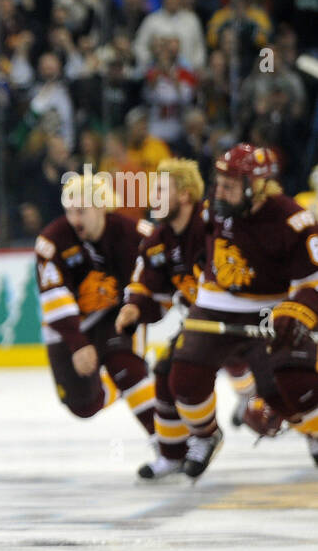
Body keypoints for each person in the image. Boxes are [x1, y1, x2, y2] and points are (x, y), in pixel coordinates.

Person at [168, 144, 318, 477]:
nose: (218, 192)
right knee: (184, 377)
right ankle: (206, 437)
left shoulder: (293, 220)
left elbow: (313, 282)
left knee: (291, 384)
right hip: (215, 304)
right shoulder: (211, 211)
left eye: (229, 185)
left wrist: (296, 314)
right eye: (218, 182)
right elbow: (184, 252)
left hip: (269, 310)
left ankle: (313, 432)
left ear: (258, 186)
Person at [35, 175, 159, 459]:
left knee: (125, 367)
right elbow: (54, 299)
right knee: (83, 405)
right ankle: (130, 384)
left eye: (81, 211)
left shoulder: (134, 233)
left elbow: (162, 269)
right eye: (69, 211)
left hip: (118, 312)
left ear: (102, 206)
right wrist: (77, 344)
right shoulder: (51, 242)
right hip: (69, 323)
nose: (73, 219)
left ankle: (167, 444)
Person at [115, 159, 207, 480]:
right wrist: (133, 307)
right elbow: (144, 282)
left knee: (280, 382)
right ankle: (174, 453)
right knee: (168, 371)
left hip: (241, 315)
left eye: (160, 190)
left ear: (184, 195)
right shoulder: (157, 240)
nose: (152, 197)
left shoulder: (213, 227)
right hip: (201, 325)